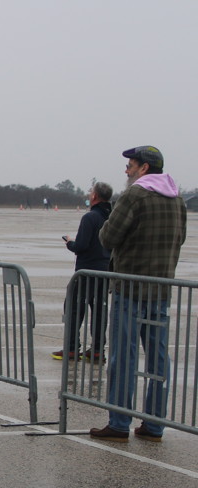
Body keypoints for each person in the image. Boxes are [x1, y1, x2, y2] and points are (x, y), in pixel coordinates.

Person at [89, 146, 186, 443]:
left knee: (123, 356)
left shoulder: (134, 195)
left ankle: (119, 422)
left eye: (130, 165)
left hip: (130, 287)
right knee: (158, 359)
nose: (127, 170)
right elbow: (180, 238)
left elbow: (107, 237)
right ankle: (154, 424)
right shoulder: (176, 198)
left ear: (144, 168)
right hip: (161, 288)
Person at [51, 182, 112, 361]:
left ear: (94, 196)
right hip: (105, 271)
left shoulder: (90, 218)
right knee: (100, 311)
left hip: (86, 271)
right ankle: (97, 350)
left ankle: (71, 347)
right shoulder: (112, 217)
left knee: (73, 307)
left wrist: (70, 243)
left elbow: (82, 246)